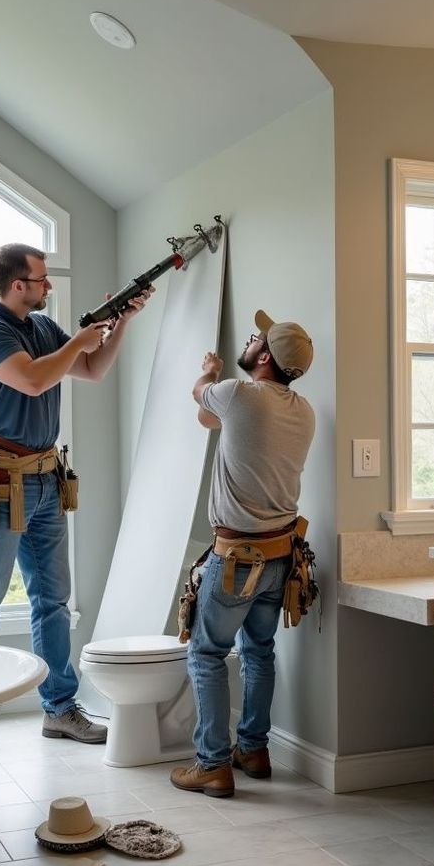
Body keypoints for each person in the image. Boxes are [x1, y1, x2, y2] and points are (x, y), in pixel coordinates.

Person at [0, 243, 151, 747]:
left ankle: (59, 708)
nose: (49, 287)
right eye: (41, 280)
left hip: (44, 478)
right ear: (17, 285)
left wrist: (120, 323)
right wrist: (80, 340)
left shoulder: (43, 328)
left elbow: (92, 369)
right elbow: (36, 380)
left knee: (53, 601)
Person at [170, 309, 315, 797]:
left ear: (265, 356)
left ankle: (212, 763)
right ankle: (252, 748)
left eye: (258, 338)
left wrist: (208, 372)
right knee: (259, 650)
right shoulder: (301, 410)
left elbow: (199, 397)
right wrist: (216, 389)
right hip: (281, 557)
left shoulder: (238, 392)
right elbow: (210, 419)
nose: (251, 339)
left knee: (207, 653)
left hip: (236, 559)